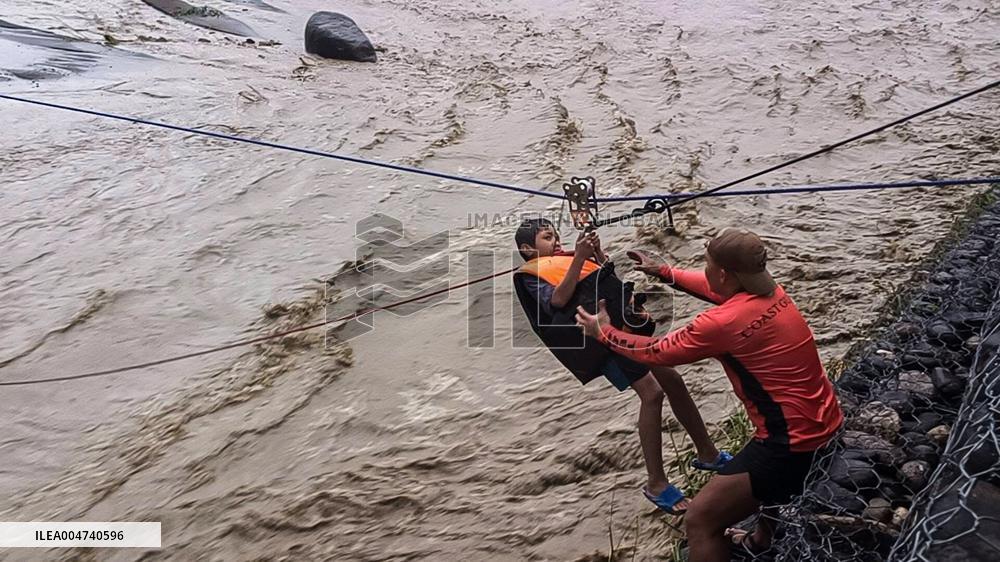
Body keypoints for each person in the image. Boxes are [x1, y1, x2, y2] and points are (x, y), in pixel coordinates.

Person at [575, 228, 843, 561]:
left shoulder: (720, 323)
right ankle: (761, 541)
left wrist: (604, 332)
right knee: (763, 477)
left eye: (706, 263)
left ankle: (750, 537)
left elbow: (657, 352)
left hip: (790, 446)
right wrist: (666, 273)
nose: (704, 270)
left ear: (722, 273)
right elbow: (719, 292)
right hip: (828, 424)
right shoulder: (773, 294)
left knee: (701, 519)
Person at [513, 218, 731, 515]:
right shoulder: (532, 274)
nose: (557, 242)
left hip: (624, 328)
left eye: (556, 236)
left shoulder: (566, 260)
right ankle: (657, 483)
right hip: (600, 338)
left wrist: (597, 255)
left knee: (673, 381)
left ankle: (707, 453)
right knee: (651, 395)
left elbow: (607, 279)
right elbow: (558, 299)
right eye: (547, 238)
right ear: (527, 249)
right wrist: (578, 257)